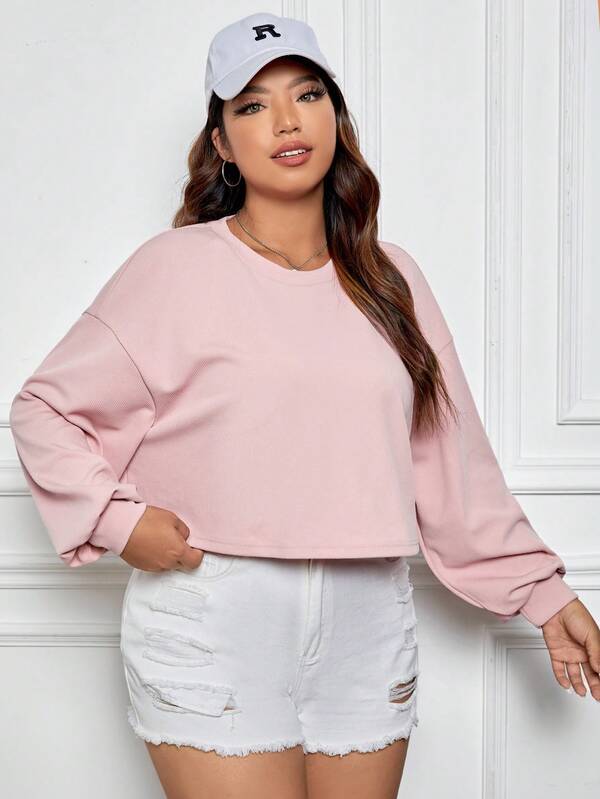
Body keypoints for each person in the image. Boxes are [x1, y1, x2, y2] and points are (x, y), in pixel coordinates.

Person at [9, 11, 600, 799]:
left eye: (307, 94)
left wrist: (546, 595)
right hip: (216, 613)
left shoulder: (391, 279)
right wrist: (118, 522)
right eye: (252, 105)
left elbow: (451, 463)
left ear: (335, 117)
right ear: (222, 143)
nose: (286, 121)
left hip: (368, 618)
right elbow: (45, 408)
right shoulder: (173, 269)